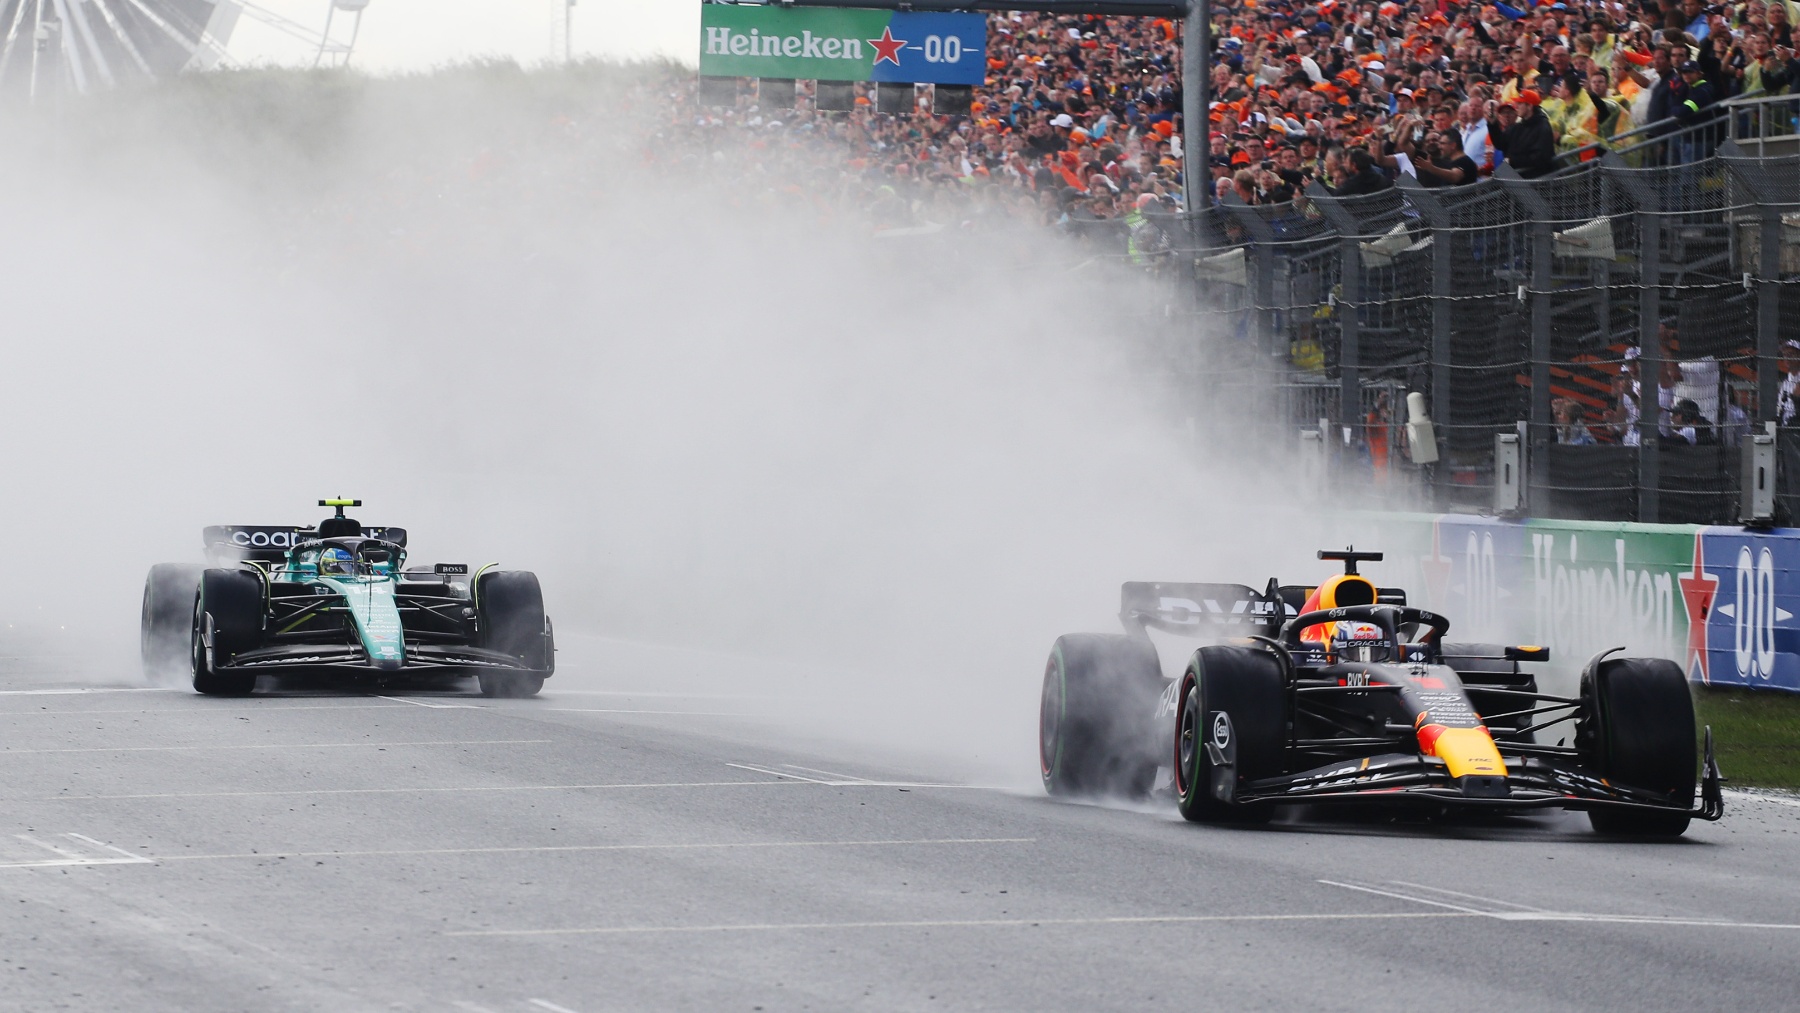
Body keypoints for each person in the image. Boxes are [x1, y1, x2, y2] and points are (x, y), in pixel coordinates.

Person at [1493, 90, 1556, 177]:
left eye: (1519, 103)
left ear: (1529, 106)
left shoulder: (1542, 127)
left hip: (1537, 183)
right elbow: (1500, 143)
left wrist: (1513, 161)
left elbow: (1540, 158)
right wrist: (1492, 124)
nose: (1516, 107)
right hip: (1521, 181)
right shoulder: (1520, 125)